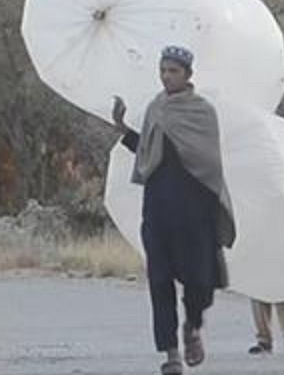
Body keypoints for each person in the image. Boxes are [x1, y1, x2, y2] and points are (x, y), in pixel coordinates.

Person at [113, 45, 236, 375]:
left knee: (199, 282)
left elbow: (209, 162)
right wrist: (124, 130)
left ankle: (193, 325)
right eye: (163, 70)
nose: (167, 76)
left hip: (194, 213)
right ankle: (170, 353)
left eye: (174, 71)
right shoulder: (156, 108)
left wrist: (212, 211)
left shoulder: (202, 111)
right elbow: (149, 152)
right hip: (157, 210)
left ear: (188, 75)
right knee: (159, 281)